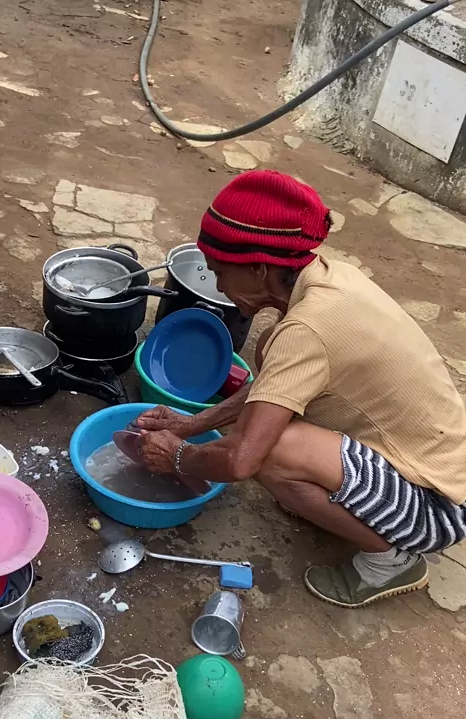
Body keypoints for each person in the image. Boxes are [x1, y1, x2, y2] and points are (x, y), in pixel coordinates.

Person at [137, 170, 466, 608]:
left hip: (438, 506)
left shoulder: (308, 329)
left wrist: (178, 456)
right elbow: (275, 385)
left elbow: (240, 460)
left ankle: (391, 561)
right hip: (431, 463)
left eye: (220, 273)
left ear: (259, 268)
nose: (218, 287)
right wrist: (190, 424)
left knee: (271, 454)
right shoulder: (325, 276)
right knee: (269, 365)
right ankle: (334, 496)